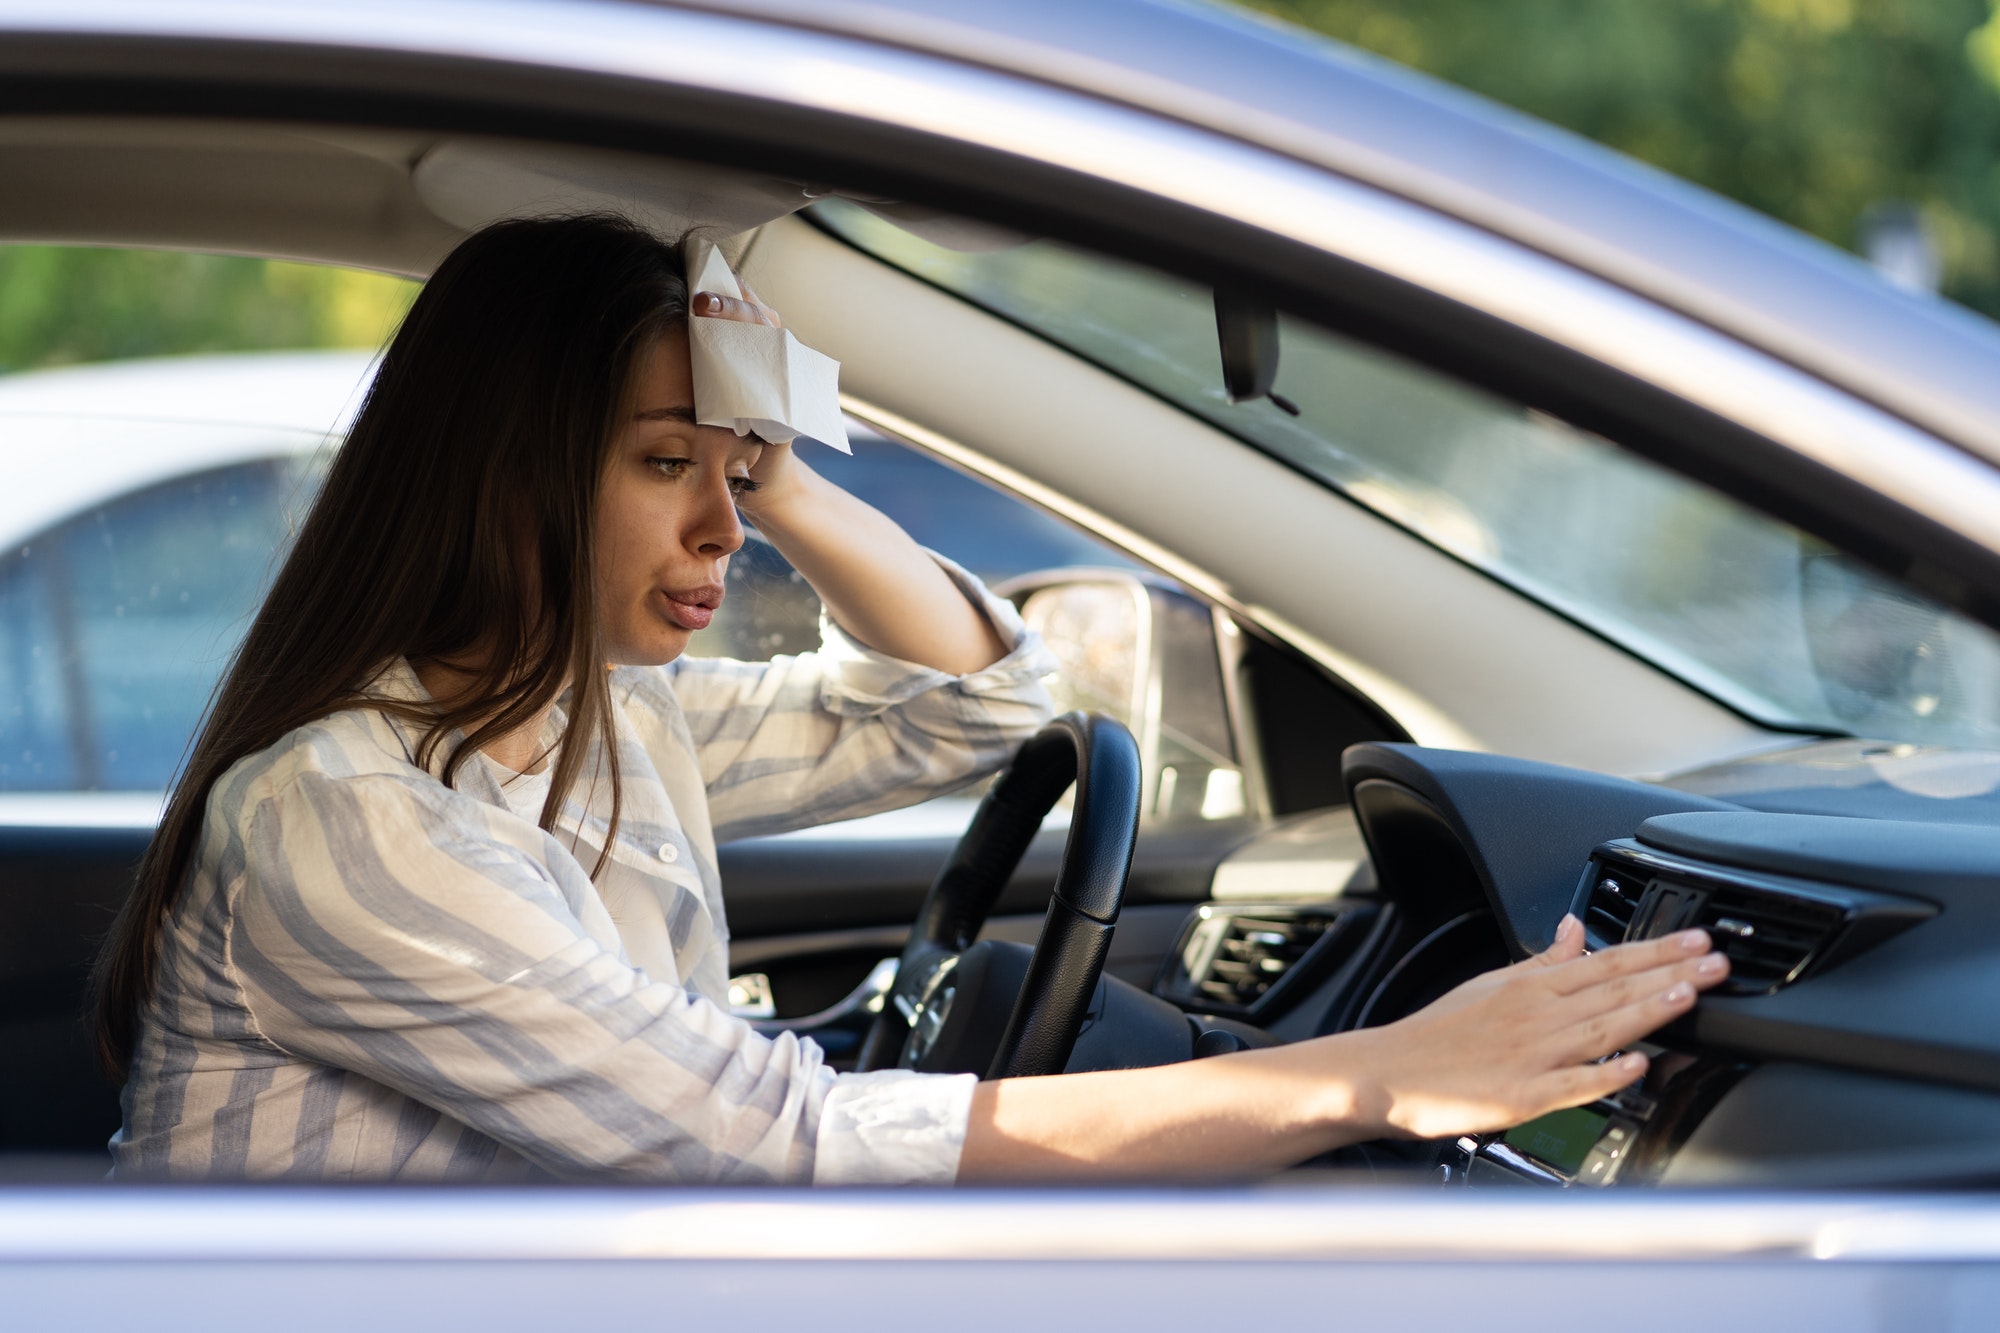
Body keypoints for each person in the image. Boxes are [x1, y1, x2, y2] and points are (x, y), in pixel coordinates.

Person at [90, 214, 1730, 1183]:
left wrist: (776, 460)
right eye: (669, 465)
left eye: (734, 473)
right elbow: (768, 1143)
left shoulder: (593, 719)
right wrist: (1378, 1076)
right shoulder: (350, 814)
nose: (723, 528)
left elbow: (975, 704)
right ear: (506, 477)